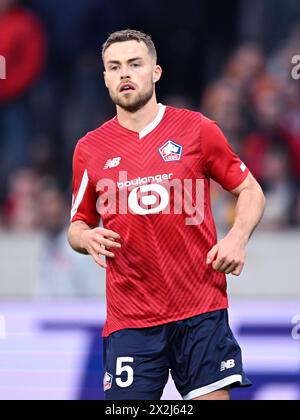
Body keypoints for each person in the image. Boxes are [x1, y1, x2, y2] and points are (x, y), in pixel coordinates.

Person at [68, 29, 266, 401]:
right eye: (115, 67)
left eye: (134, 64)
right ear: (106, 78)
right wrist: (86, 237)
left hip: (200, 308)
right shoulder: (89, 149)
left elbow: (250, 190)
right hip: (131, 319)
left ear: (155, 72)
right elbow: (77, 225)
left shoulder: (197, 129)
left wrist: (237, 237)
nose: (125, 73)